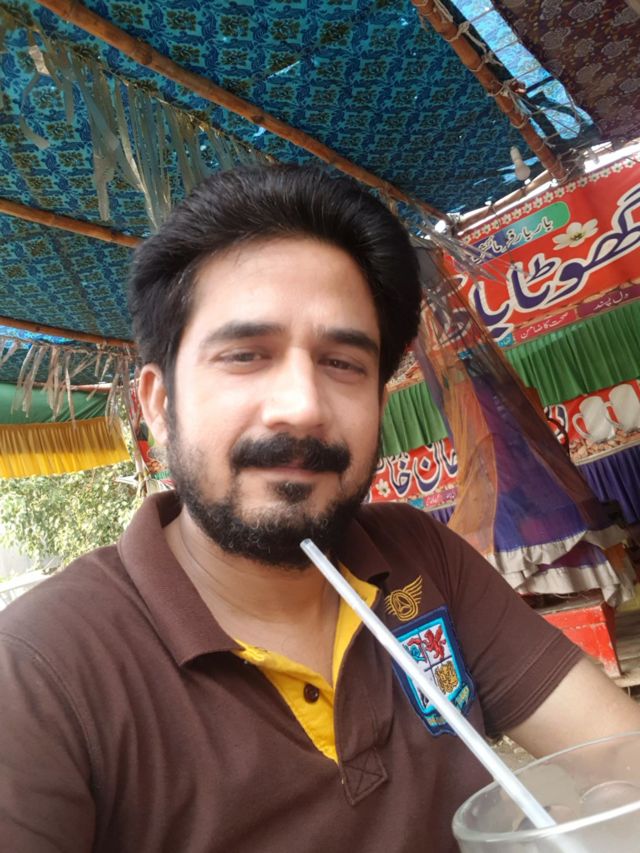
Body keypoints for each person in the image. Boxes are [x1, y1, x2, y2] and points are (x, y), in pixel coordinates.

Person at [1, 166, 638, 853]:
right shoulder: (38, 671)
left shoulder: (420, 558)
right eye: (246, 354)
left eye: (343, 364)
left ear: (379, 403)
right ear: (157, 405)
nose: (304, 406)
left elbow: (617, 751)